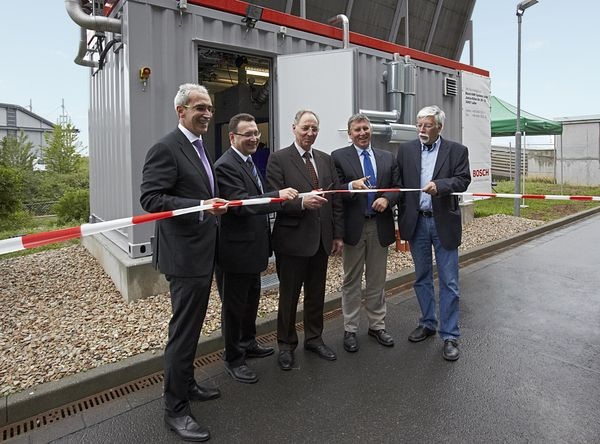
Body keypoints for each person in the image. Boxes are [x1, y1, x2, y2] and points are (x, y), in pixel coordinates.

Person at [140, 83, 228, 442]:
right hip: (184, 254)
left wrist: (209, 204)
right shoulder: (166, 147)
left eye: (209, 107)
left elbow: (196, 193)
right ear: (181, 111)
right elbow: (151, 198)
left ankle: (187, 383)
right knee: (183, 331)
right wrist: (199, 210)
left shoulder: (198, 146)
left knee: (192, 327)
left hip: (201, 251)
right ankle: (175, 409)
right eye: (199, 108)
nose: (206, 113)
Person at [214, 113, 297, 384]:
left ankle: (248, 343)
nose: (253, 138)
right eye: (247, 134)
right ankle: (233, 358)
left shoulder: (248, 163)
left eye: (256, 134)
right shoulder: (225, 166)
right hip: (235, 252)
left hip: (253, 249)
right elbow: (241, 204)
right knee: (234, 307)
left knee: (251, 301)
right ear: (232, 137)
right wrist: (278, 196)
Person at [266, 109, 344, 371]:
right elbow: (274, 200)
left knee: (316, 295)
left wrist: (337, 235)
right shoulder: (278, 159)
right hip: (292, 241)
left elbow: (334, 200)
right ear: (294, 128)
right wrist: (300, 202)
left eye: (314, 129)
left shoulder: (325, 159)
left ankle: (314, 338)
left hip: (321, 241)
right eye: (305, 128)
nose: (310, 133)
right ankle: (286, 345)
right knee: (288, 297)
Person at [396, 105, 471, 362]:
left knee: (449, 281)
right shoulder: (405, 150)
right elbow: (398, 182)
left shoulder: (457, 151)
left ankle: (449, 335)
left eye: (427, 125)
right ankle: (428, 323)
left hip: (443, 224)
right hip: (417, 223)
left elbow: (463, 180)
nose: (422, 130)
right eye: (419, 125)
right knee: (422, 277)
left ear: (440, 126)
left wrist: (440, 186)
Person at [331, 113, 399, 353]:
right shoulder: (339, 157)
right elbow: (334, 192)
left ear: (371, 131)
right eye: (357, 130)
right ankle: (350, 329)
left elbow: (397, 187)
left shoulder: (387, 157)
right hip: (353, 228)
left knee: (377, 280)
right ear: (350, 134)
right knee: (351, 281)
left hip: (379, 225)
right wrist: (351, 186)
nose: (362, 133)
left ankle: (377, 326)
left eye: (366, 129)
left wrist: (386, 199)